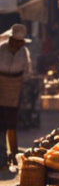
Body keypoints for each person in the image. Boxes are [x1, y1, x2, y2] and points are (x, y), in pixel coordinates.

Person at [0, 24, 31, 166]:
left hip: (14, 93)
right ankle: (1, 157)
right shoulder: (1, 49)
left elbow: (27, 72)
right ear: (11, 39)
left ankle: (14, 155)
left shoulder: (24, 52)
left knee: (11, 126)